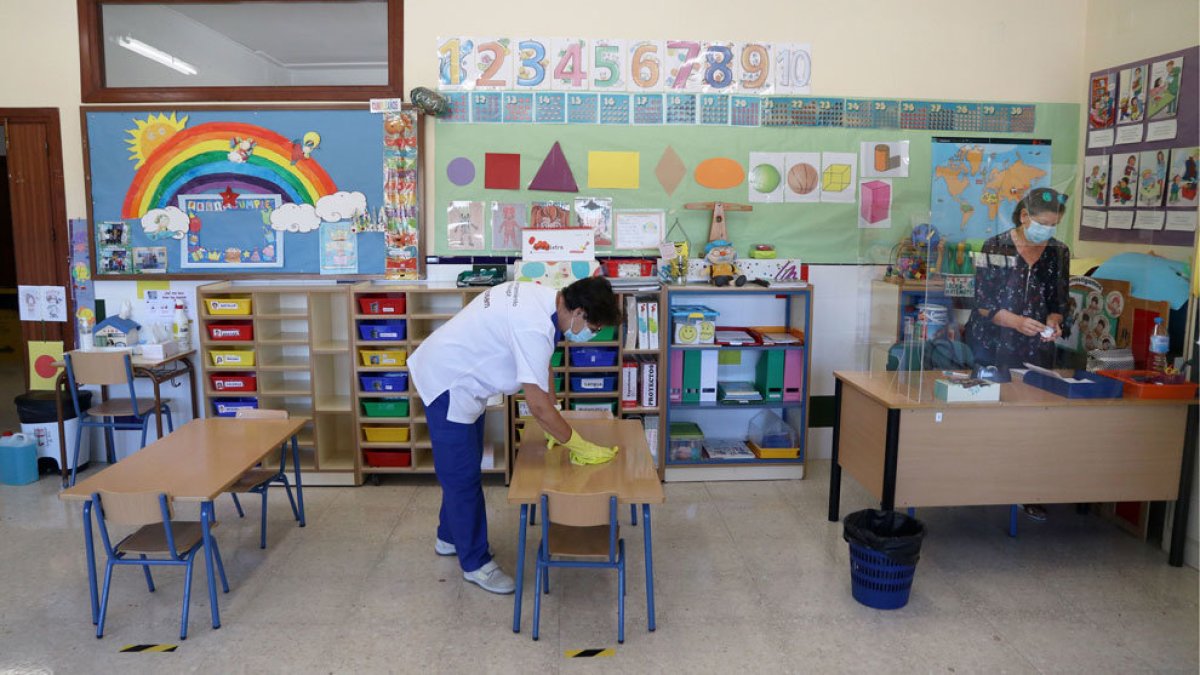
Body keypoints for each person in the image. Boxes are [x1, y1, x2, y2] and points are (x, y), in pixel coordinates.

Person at [407, 276, 621, 594]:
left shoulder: (546, 299)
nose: (592, 334)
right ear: (578, 312)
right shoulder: (534, 326)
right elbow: (536, 404)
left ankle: (449, 537)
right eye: (594, 327)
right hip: (448, 382)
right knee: (462, 476)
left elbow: (541, 364)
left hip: (459, 373)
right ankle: (476, 564)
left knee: (460, 469)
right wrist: (576, 442)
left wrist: (555, 411)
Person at [964, 187, 1070, 521]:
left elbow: (1059, 303)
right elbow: (980, 303)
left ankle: (1027, 491)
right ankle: (978, 484)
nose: (1047, 231)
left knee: (1032, 423)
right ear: (1024, 216)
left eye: (1053, 225)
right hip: (993, 344)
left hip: (1034, 350)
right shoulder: (994, 247)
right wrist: (1014, 321)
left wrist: (1054, 324)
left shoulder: (1058, 252)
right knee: (991, 419)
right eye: (1042, 223)